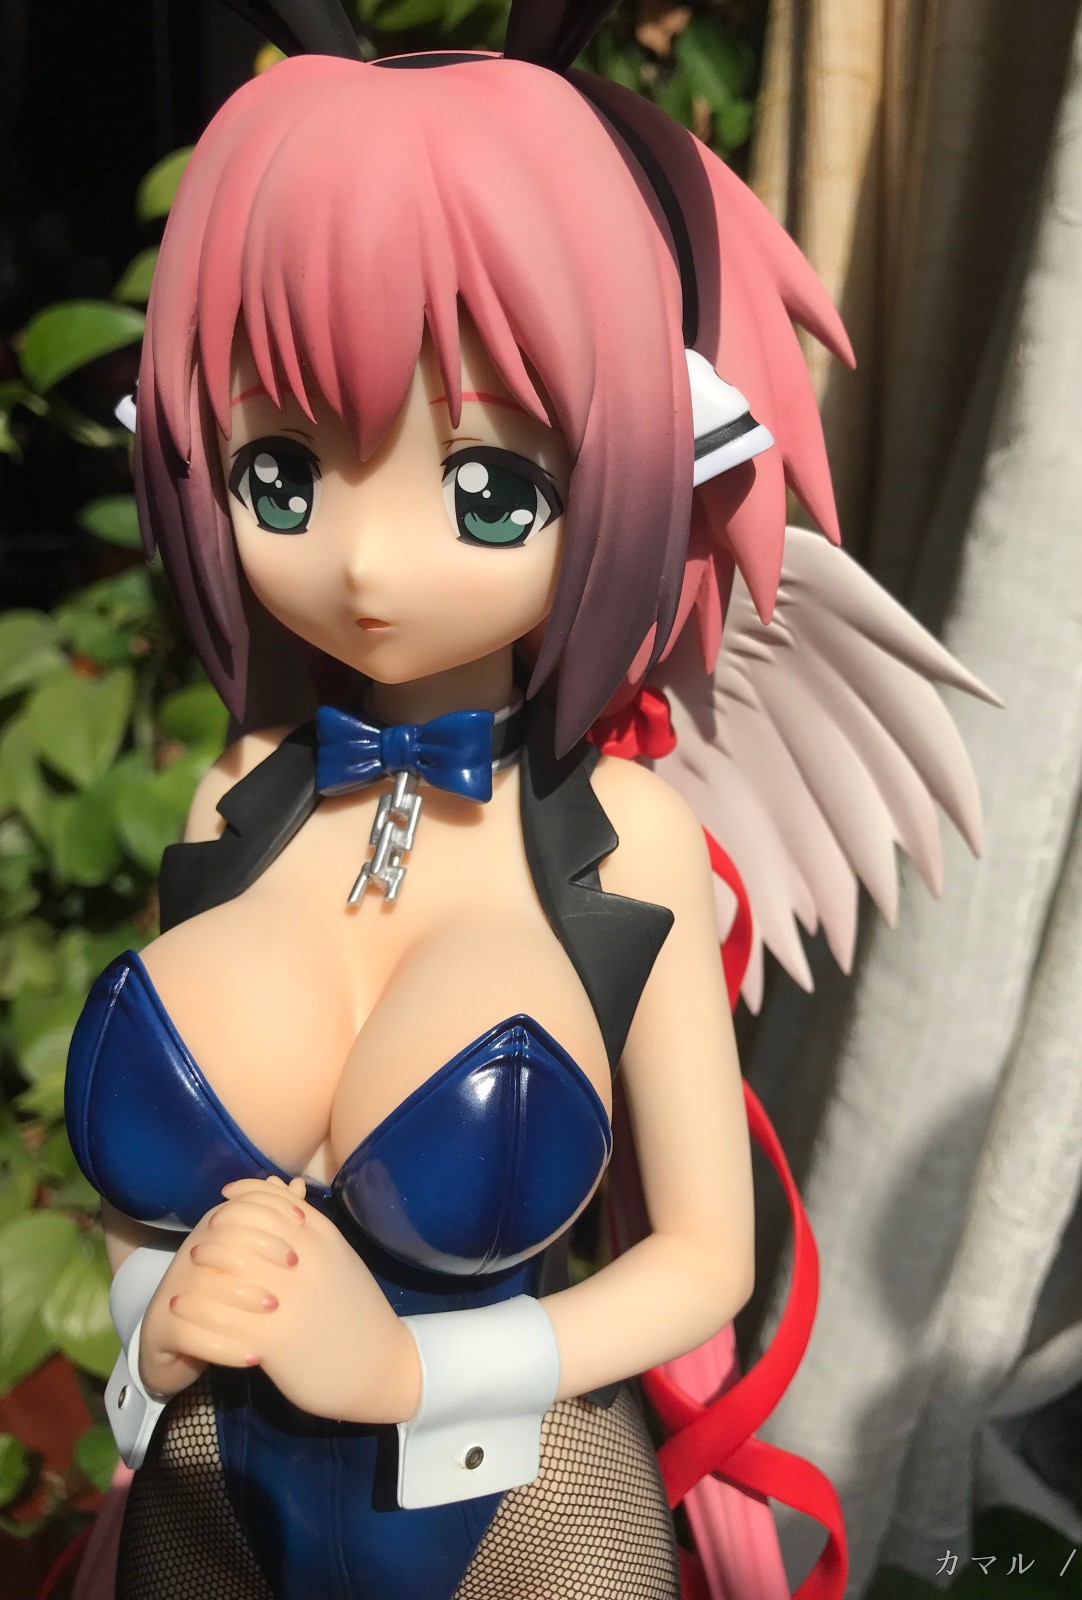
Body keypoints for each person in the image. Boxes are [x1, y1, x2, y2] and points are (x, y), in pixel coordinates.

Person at [64, 5, 989, 1597]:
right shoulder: (235, 806)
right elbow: (149, 1216)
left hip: (525, 1510)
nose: (364, 561)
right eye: (283, 475)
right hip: (209, 1489)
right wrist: (158, 1315)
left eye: (485, 487)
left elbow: (705, 1259)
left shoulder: (623, 839)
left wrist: (412, 1370)